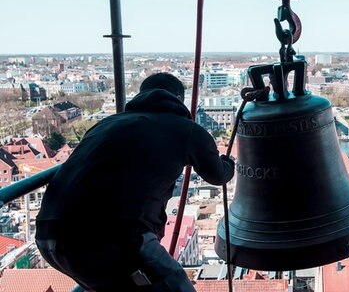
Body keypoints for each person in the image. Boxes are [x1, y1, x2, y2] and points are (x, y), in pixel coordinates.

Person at [35, 72, 235, 291]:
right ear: (179, 98)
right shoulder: (186, 129)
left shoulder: (106, 124)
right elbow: (217, 176)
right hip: (112, 239)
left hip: (50, 236)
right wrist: (229, 163)